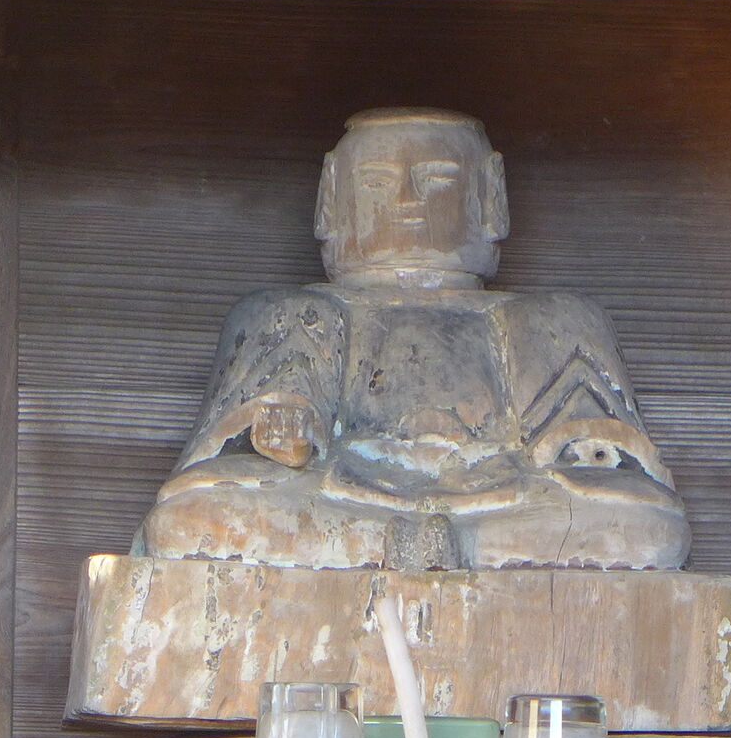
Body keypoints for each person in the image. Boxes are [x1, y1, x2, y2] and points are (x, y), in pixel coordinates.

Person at [138, 108, 690, 570]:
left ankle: (442, 547)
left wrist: (580, 448)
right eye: (377, 182)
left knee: (648, 528)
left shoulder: (551, 316)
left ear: (491, 199)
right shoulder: (293, 312)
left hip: (499, 504)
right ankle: (403, 546)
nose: (407, 199)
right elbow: (236, 456)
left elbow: (594, 455)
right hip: (343, 497)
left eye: (436, 180)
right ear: (330, 201)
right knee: (193, 519)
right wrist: (281, 431)